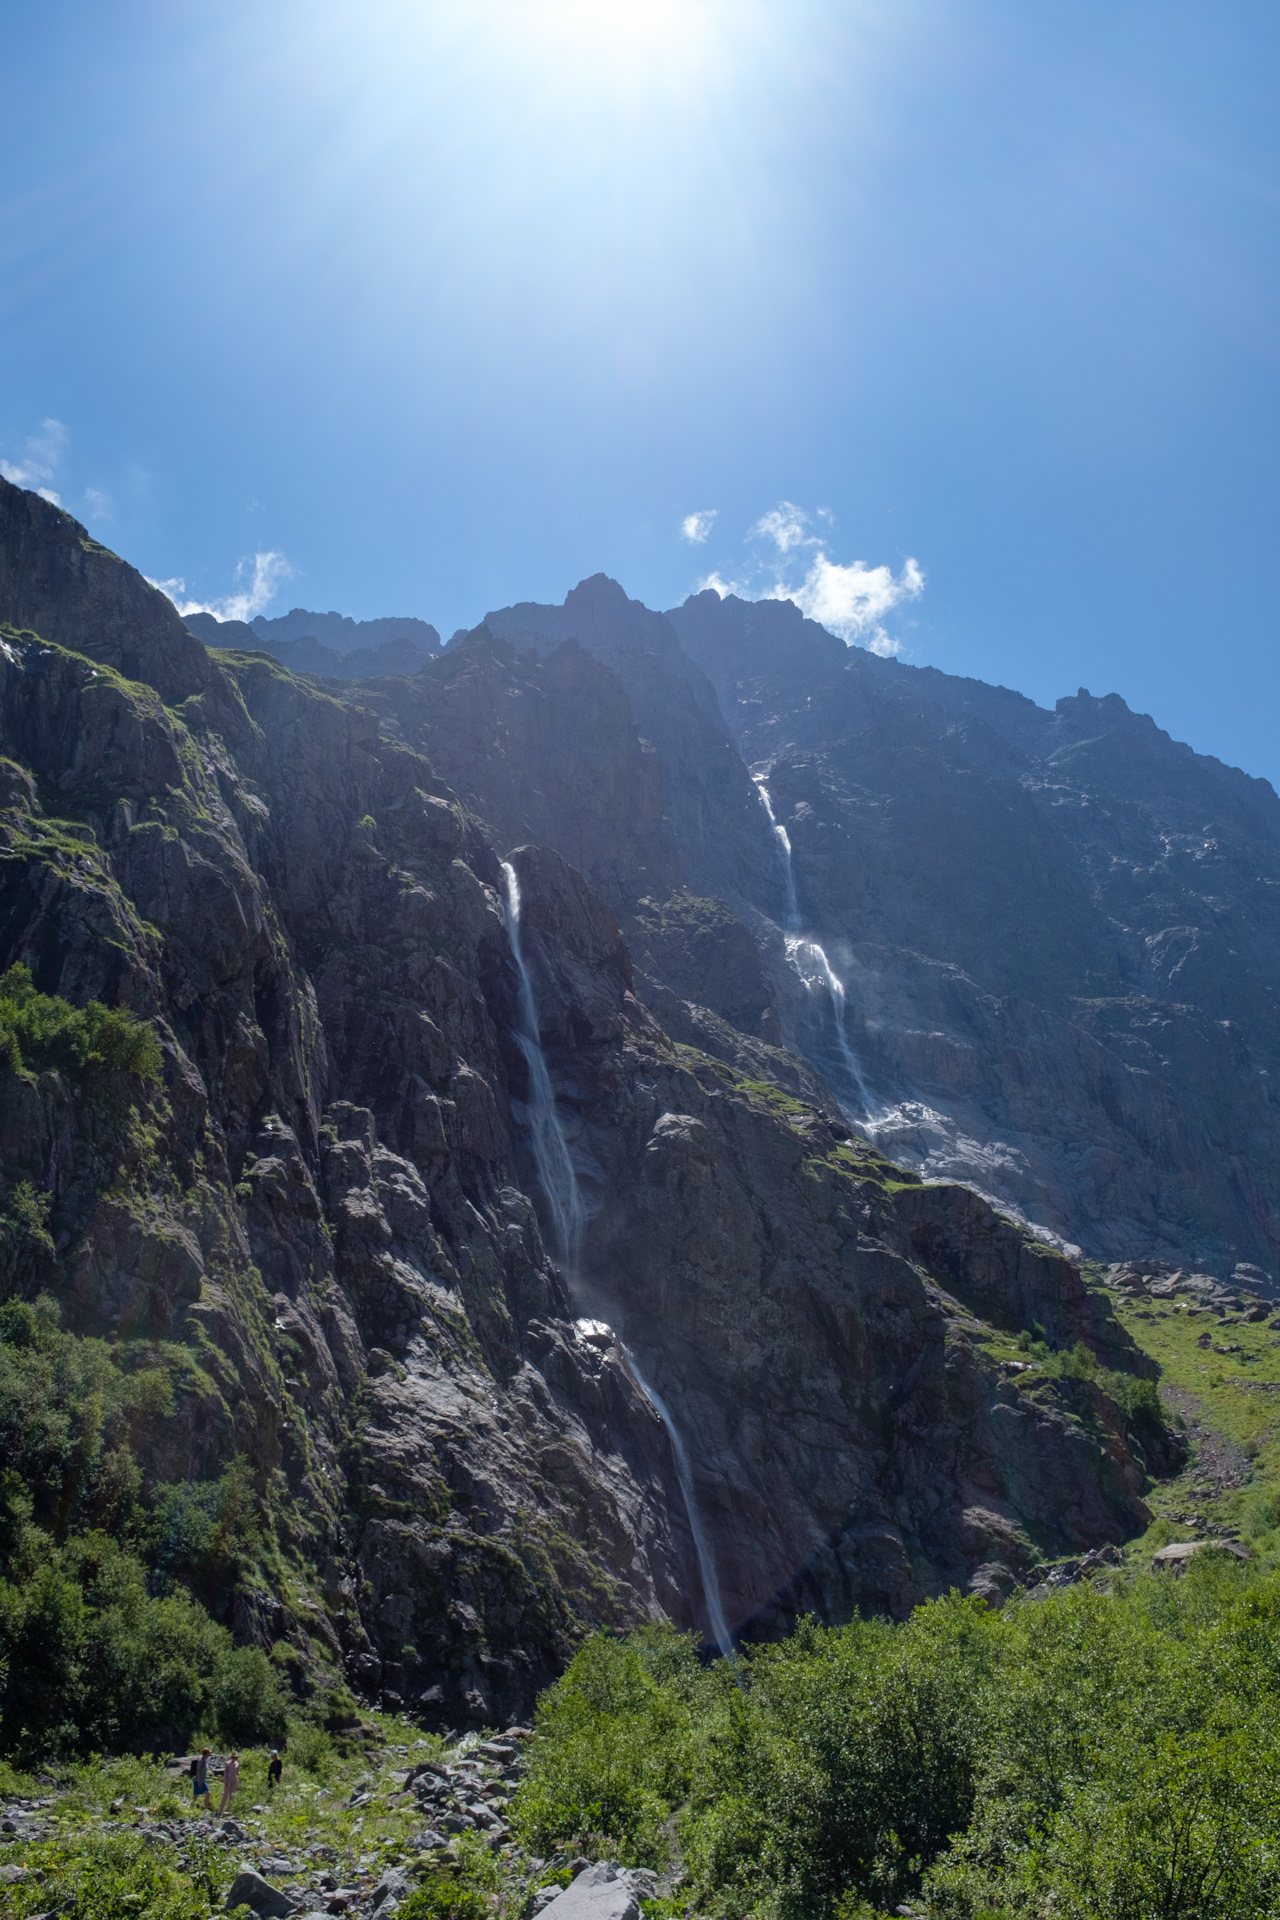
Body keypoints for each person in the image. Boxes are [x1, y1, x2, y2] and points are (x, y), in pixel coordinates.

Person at [218, 1750, 240, 1817]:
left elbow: (237, 1772)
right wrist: (225, 1781)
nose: (234, 1758)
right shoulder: (227, 1763)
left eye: (235, 1757)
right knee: (225, 1795)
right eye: (233, 1757)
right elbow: (225, 1773)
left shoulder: (237, 1764)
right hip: (228, 1780)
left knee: (232, 1796)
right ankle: (220, 1811)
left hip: (234, 1781)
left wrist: (237, 1781)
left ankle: (228, 1811)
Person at [193, 1747, 212, 1815]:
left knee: (208, 1794)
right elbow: (198, 1771)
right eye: (209, 1752)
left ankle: (205, 1808)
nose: (210, 1753)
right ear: (206, 1753)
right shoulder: (200, 1761)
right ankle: (192, 1807)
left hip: (203, 1781)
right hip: (198, 1781)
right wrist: (199, 1781)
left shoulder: (205, 1760)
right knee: (196, 1795)